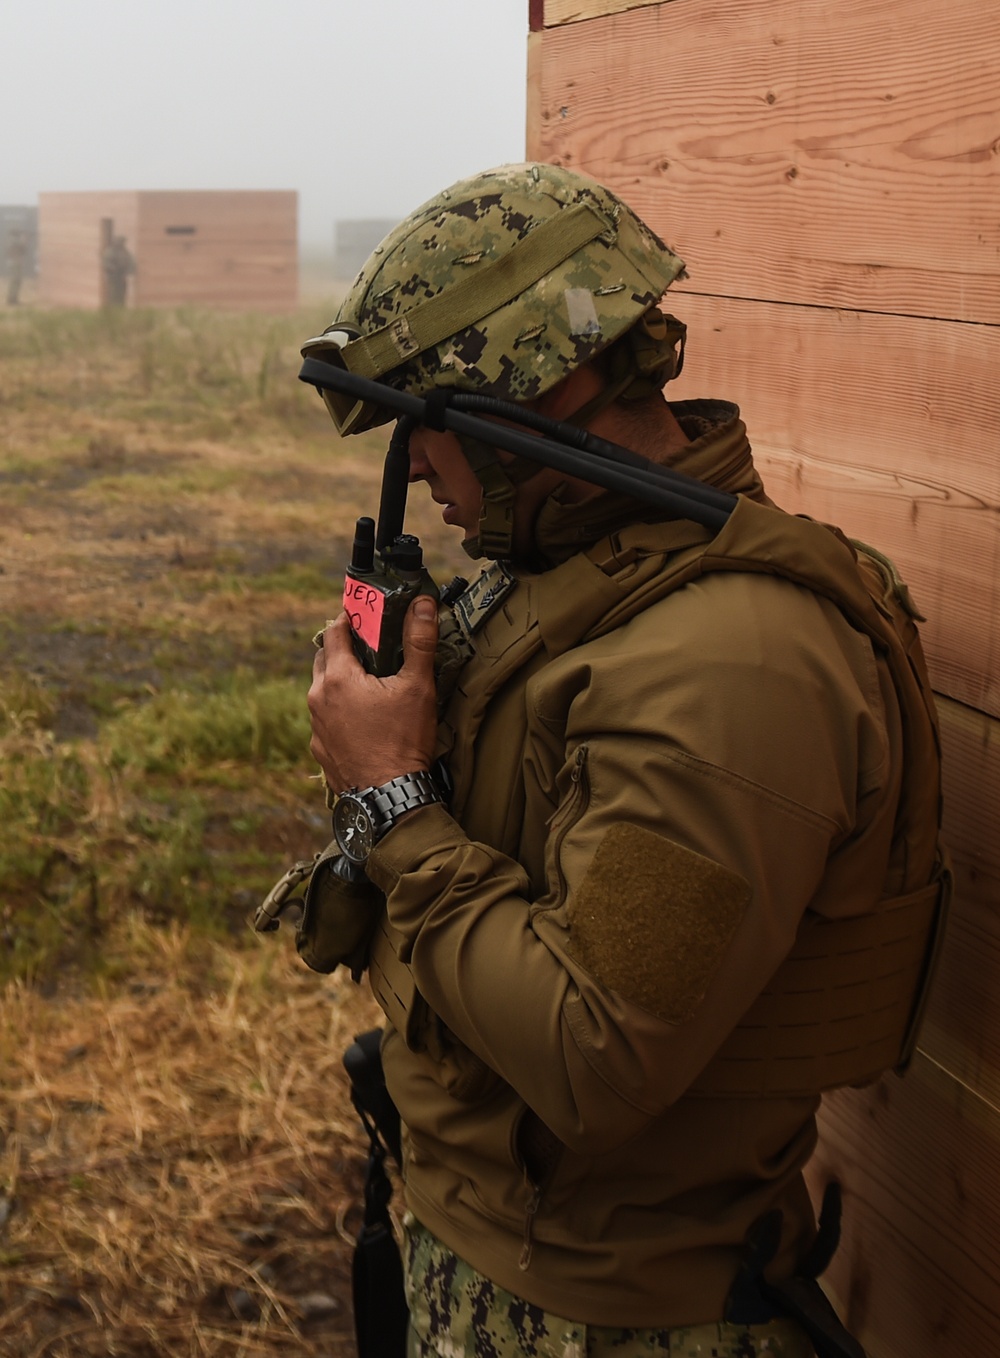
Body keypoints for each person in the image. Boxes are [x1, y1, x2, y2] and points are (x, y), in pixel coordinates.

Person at [304, 163, 947, 1358]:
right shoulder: (571, 567)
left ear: (537, 393)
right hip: (494, 1256)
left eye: (425, 423)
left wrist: (391, 797)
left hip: (607, 1318)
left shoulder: (735, 665)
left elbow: (591, 1053)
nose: (418, 467)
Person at [102, 233, 136, 306]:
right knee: (113, 293)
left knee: (122, 292)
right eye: (121, 241)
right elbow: (106, 263)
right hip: (113, 276)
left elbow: (131, 261)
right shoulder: (110, 251)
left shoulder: (125, 252)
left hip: (122, 275)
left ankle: (121, 307)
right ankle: (113, 307)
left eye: (123, 242)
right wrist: (113, 269)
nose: (122, 243)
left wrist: (128, 271)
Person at [6, 227, 27, 306]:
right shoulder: (13, 241)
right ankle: (12, 299)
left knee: (16, 281)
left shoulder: (12, 241)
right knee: (16, 280)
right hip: (15, 263)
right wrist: (23, 240)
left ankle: (13, 299)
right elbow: (22, 250)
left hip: (15, 263)